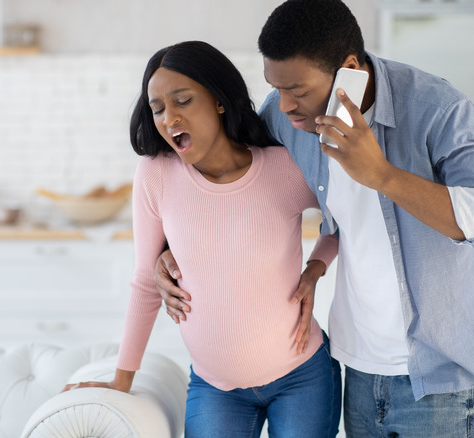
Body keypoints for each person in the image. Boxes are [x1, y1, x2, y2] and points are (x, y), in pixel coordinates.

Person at [154, 1, 474, 436]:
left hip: (440, 372)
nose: (287, 106)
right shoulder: (282, 116)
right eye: (277, 88)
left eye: (299, 90)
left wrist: (384, 176)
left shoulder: (437, 109)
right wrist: (167, 252)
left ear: (349, 68)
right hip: (358, 364)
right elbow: (232, 183)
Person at [63, 40, 342, 437]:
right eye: (157, 109)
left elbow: (342, 222)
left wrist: (315, 268)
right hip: (216, 388)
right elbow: (146, 280)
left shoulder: (284, 169)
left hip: (302, 376)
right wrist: (121, 379)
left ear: (219, 101)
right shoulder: (156, 174)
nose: (169, 117)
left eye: (183, 101)